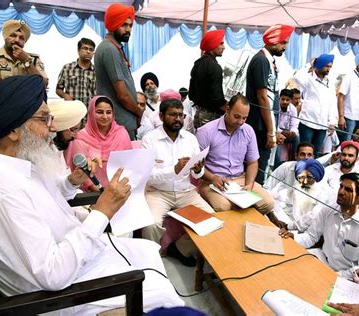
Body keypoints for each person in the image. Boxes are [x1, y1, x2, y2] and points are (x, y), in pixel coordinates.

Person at [0, 75, 183, 315]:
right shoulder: (4, 190)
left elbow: (46, 200)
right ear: (14, 130)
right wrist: (102, 211)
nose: (53, 127)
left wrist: (71, 181)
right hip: (60, 295)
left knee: (147, 250)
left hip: (75, 257)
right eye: (45, 119)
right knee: (165, 298)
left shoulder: (17, 165)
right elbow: (52, 274)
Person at [141, 98, 214, 266]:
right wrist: (173, 170)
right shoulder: (149, 140)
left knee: (213, 219)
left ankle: (180, 248)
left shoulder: (190, 139)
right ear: (161, 116)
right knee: (151, 224)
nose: (178, 119)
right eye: (173, 115)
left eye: (181, 115)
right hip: (158, 192)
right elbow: (147, 176)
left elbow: (197, 176)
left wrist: (198, 170)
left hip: (184, 191)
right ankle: (150, 263)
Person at [196, 94, 277, 221]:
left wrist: (249, 184)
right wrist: (212, 177)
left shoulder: (248, 131)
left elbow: (253, 163)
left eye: (244, 118)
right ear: (227, 109)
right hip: (213, 181)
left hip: (240, 178)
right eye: (237, 117)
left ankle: (241, 227)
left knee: (268, 203)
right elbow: (196, 166)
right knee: (223, 207)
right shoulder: (206, 131)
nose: (240, 122)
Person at [289, 173, 359, 279]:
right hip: (322, 262)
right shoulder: (328, 210)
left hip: (348, 279)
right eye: (341, 186)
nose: (341, 192)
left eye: (348, 190)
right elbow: (311, 236)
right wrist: (293, 238)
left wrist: (332, 276)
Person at [245, 24, 294, 184]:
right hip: (260, 125)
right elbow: (263, 97)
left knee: (262, 166)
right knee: (258, 167)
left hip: (265, 124)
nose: (285, 47)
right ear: (274, 41)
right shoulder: (261, 61)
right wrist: (271, 131)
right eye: (283, 43)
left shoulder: (267, 60)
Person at [65, 95, 132, 192]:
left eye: (108, 112)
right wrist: (101, 193)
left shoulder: (121, 133)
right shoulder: (81, 138)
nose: (105, 117)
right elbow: (81, 172)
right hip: (91, 194)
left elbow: (130, 163)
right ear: (91, 113)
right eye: (99, 112)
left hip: (121, 189)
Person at [94, 3, 139, 140]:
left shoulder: (115, 48)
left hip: (123, 122)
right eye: (124, 25)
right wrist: (139, 112)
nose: (128, 30)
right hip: (119, 124)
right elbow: (123, 95)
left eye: (130, 26)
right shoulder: (109, 49)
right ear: (113, 24)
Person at [0, 19, 48, 87]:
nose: (17, 40)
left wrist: (26, 61)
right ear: (6, 37)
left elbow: (43, 85)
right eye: (12, 35)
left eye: (21, 38)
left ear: (25, 41)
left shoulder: (34, 59)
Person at [292, 53, 337, 154]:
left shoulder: (330, 82)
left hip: (322, 124)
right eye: (326, 66)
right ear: (319, 65)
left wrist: (332, 122)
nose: (328, 69)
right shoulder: (308, 78)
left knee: (315, 152)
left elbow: (332, 103)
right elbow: (296, 77)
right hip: (307, 122)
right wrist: (309, 65)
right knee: (304, 151)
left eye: (330, 66)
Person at [270, 158, 326, 231]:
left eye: (309, 177)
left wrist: (289, 226)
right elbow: (276, 197)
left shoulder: (322, 194)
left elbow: (313, 217)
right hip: (289, 226)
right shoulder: (297, 187)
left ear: (316, 178)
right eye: (302, 177)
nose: (305, 182)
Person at [189, 29, 227, 128]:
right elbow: (217, 99)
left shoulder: (197, 63)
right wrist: (229, 107)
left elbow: (191, 94)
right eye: (221, 43)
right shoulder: (215, 67)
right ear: (212, 45)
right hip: (212, 118)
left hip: (198, 115)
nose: (224, 47)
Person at [56, 38, 97, 108]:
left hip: (90, 111)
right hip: (71, 111)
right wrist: (65, 95)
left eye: (91, 50)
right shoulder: (67, 68)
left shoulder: (97, 71)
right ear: (78, 50)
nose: (88, 52)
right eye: (85, 48)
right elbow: (58, 89)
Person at [274, 89, 299, 167]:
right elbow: (273, 125)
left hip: (287, 133)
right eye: (283, 99)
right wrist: (281, 132)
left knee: (297, 137)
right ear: (279, 98)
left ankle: (295, 162)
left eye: (287, 100)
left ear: (290, 100)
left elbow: (294, 125)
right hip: (276, 132)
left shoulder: (293, 109)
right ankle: (277, 166)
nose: (285, 102)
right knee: (276, 146)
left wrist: (292, 132)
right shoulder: (275, 106)